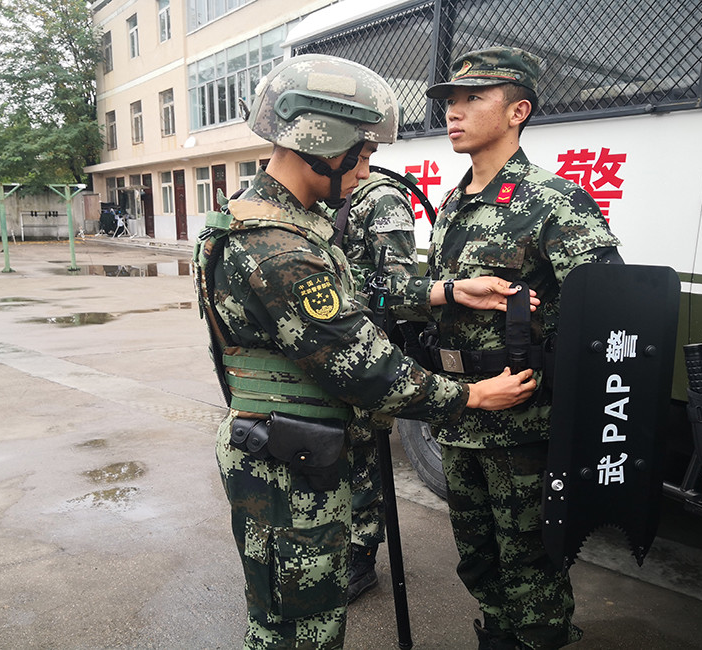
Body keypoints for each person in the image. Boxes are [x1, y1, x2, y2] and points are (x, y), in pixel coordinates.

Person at [197, 53, 540, 650]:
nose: (364, 172)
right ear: (323, 144)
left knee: (289, 614)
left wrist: (451, 289)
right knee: (301, 629)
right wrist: (472, 397)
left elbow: (358, 296)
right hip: (290, 464)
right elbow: (367, 370)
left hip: (285, 446)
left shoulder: (270, 222)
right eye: (360, 156)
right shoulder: (280, 249)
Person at [389, 47, 622, 648]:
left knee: (531, 560)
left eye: (474, 99)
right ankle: (498, 632)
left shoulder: (554, 201)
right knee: (477, 554)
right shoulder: (454, 202)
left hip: (522, 422)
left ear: (518, 111)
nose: (454, 112)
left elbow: (604, 312)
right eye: (450, 101)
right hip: (463, 411)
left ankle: (539, 638)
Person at [333, 172, 420, 603]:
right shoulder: (321, 196)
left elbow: (399, 290)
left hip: (366, 353)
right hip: (327, 354)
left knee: (365, 460)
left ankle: (361, 559)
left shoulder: (381, 199)